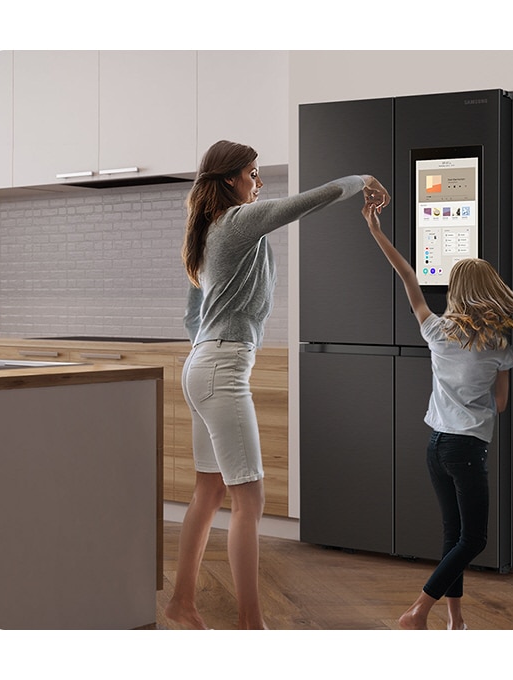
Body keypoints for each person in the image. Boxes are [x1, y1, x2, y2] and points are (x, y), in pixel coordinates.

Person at [165, 140, 390, 630]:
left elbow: (191, 312)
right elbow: (309, 201)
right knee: (250, 500)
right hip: (222, 368)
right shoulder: (239, 222)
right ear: (230, 179)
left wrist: (209, 346)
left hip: (204, 364)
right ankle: (251, 625)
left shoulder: (205, 232)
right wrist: (362, 180)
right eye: (253, 172)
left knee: (209, 491)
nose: (258, 181)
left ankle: (182, 602)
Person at [362, 200, 513, 630]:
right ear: (490, 288)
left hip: (436, 446)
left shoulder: (436, 330)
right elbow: (500, 404)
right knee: (474, 539)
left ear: (456, 290)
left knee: (453, 534)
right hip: (467, 448)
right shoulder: (498, 344)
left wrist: (375, 230)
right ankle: (418, 612)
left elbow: (408, 275)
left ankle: (455, 620)